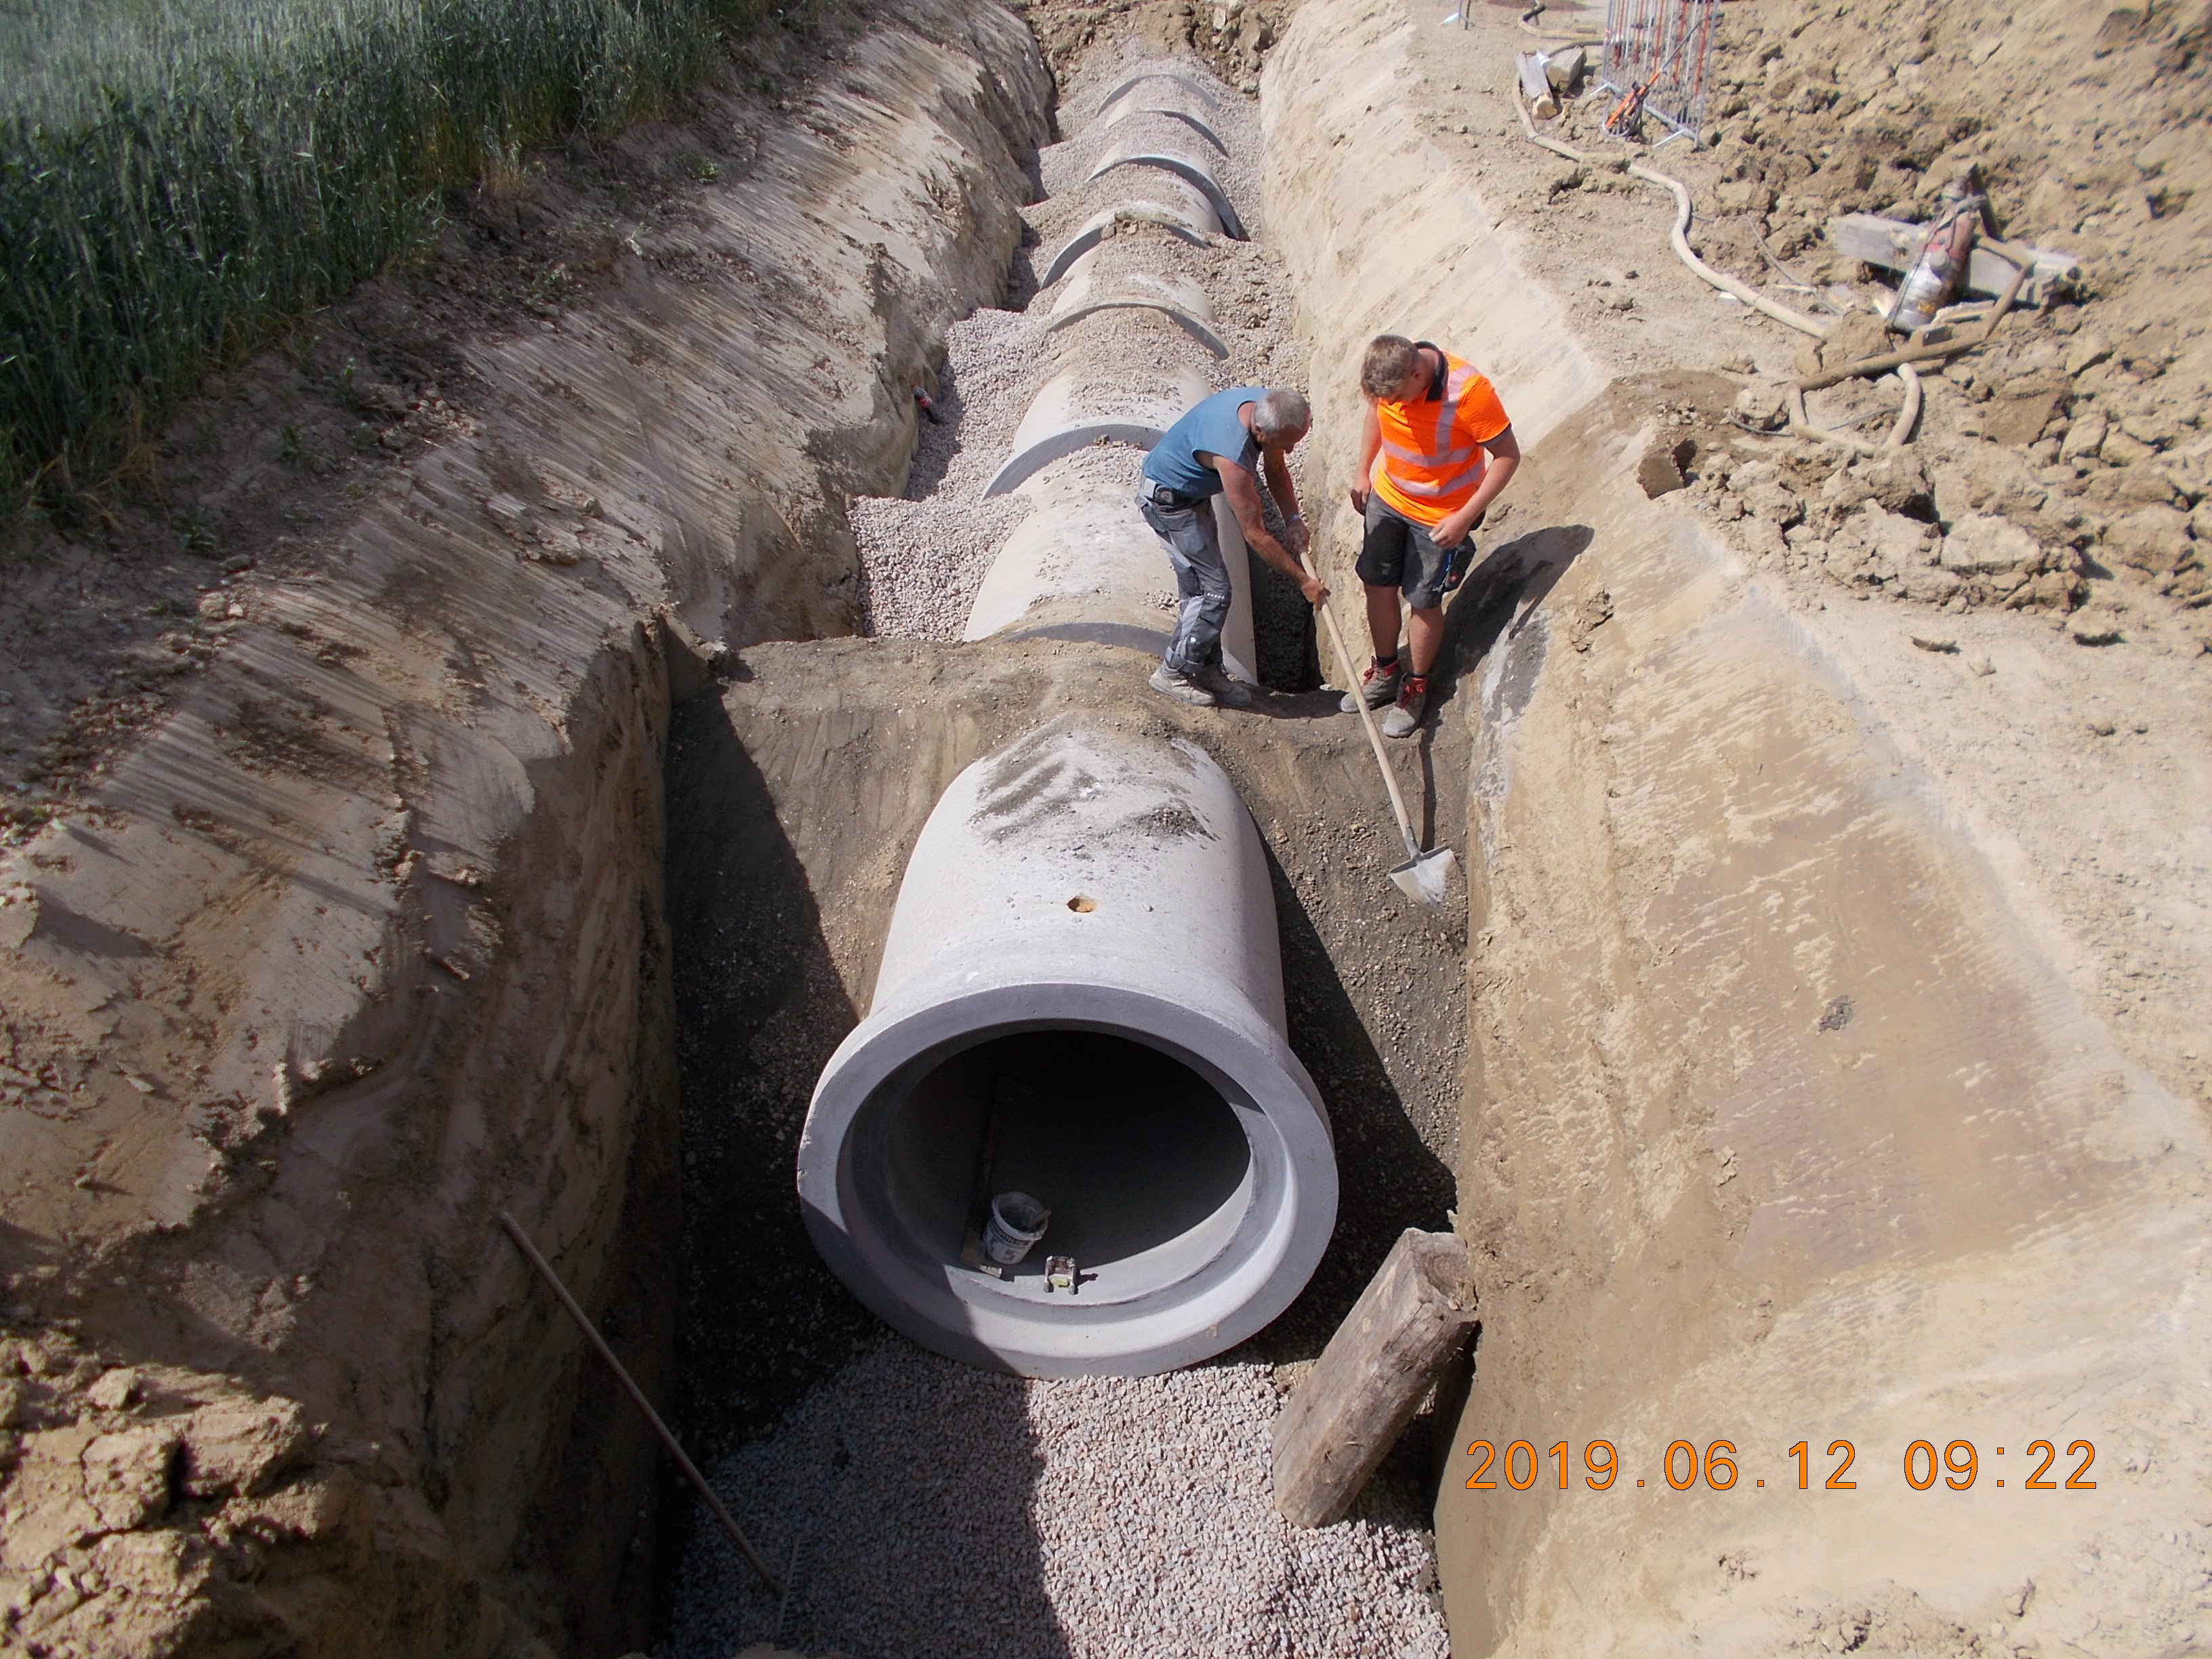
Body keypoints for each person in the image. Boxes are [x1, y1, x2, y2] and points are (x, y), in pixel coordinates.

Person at [1342, 335, 1521, 737]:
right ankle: (1385, 670)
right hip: (1389, 499)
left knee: (1423, 600)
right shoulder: (1392, 381)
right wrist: (1362, 471)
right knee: (1377, 583)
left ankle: (1415, 686)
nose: (1397, 406)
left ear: (1419, 374)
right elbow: (1377, 411)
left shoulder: (1470, 393)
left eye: (1402, 396)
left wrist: (1464, 517)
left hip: (1441, 515)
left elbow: (1508, 457)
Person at [1138, 386, 1328, 708]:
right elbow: (1255, 534)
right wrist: (1302, 581)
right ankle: (1174, 672)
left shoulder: (1268, 408)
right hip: (1168, 502)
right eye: (1287, 444)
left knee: (1210, 586)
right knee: (1211, 591)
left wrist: (1293, 518)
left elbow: (1277, 469)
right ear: (1260, 432)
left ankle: (1207, 671)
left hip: (1191, 495)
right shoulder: (1233, 454)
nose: (1293, 450)